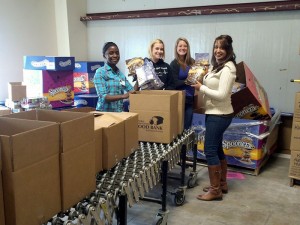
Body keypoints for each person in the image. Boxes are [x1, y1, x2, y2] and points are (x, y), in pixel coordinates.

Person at [191, 35, 237, 201]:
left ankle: (215, 190)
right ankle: (222, 183)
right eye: (216, 47)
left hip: (220, 114)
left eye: (222, 47)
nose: (218, 50)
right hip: (214, 113)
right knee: (217, 148)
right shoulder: (218, 67)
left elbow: (222, 95)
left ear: (228, 50)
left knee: (210, 149)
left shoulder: (228, 69)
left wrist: (201, 87)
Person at [94, 42, 137, 112]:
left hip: (119, 112)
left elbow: (131, 91)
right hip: (104, 114)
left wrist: (139, 78)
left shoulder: (120, 75)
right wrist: (123, 96)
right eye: (111, 53)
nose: (115, 55)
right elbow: (104, 97)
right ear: (104, 55)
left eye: (117, 53)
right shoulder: (100, 72)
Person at [170, 37, 195, 130]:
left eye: (185, 46)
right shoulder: (174, 64)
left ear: (188, 48)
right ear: (176, 48)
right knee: (177, 127)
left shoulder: (192, 62)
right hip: (179, 100)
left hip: (190, 99)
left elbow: (197, 79)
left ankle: (186, 145)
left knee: (187, 127)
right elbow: (174, 83)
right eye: (180, 46)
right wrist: (188, 81)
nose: (182, 48)